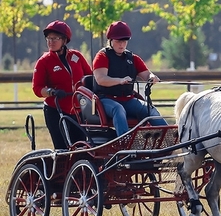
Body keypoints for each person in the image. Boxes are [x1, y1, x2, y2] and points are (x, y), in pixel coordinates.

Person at [93, 21, 168, 137]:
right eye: (118, 41)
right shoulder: (102, 56)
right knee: (118, 109)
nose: (121, 44)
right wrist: (120, 80)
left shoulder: (133, 58)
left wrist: (152, 77)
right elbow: (101, 79)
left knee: (150, 110)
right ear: (111, 40)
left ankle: (167, 137)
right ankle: (124, 142)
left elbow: (147, 74)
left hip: (128, 99)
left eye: (124, 41)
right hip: (105, 99)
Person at [32, 20, 93, 149]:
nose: (50, 41)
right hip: (55, 110)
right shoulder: (44, 62)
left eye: (55, 38)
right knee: (62, 147)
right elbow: (37, 88)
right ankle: (61, 168)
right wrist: (52, 92)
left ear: (64, 40)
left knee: (81, 146)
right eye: (48, 38)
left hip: (78, 110)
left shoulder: (77, 57)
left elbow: (90, 77)